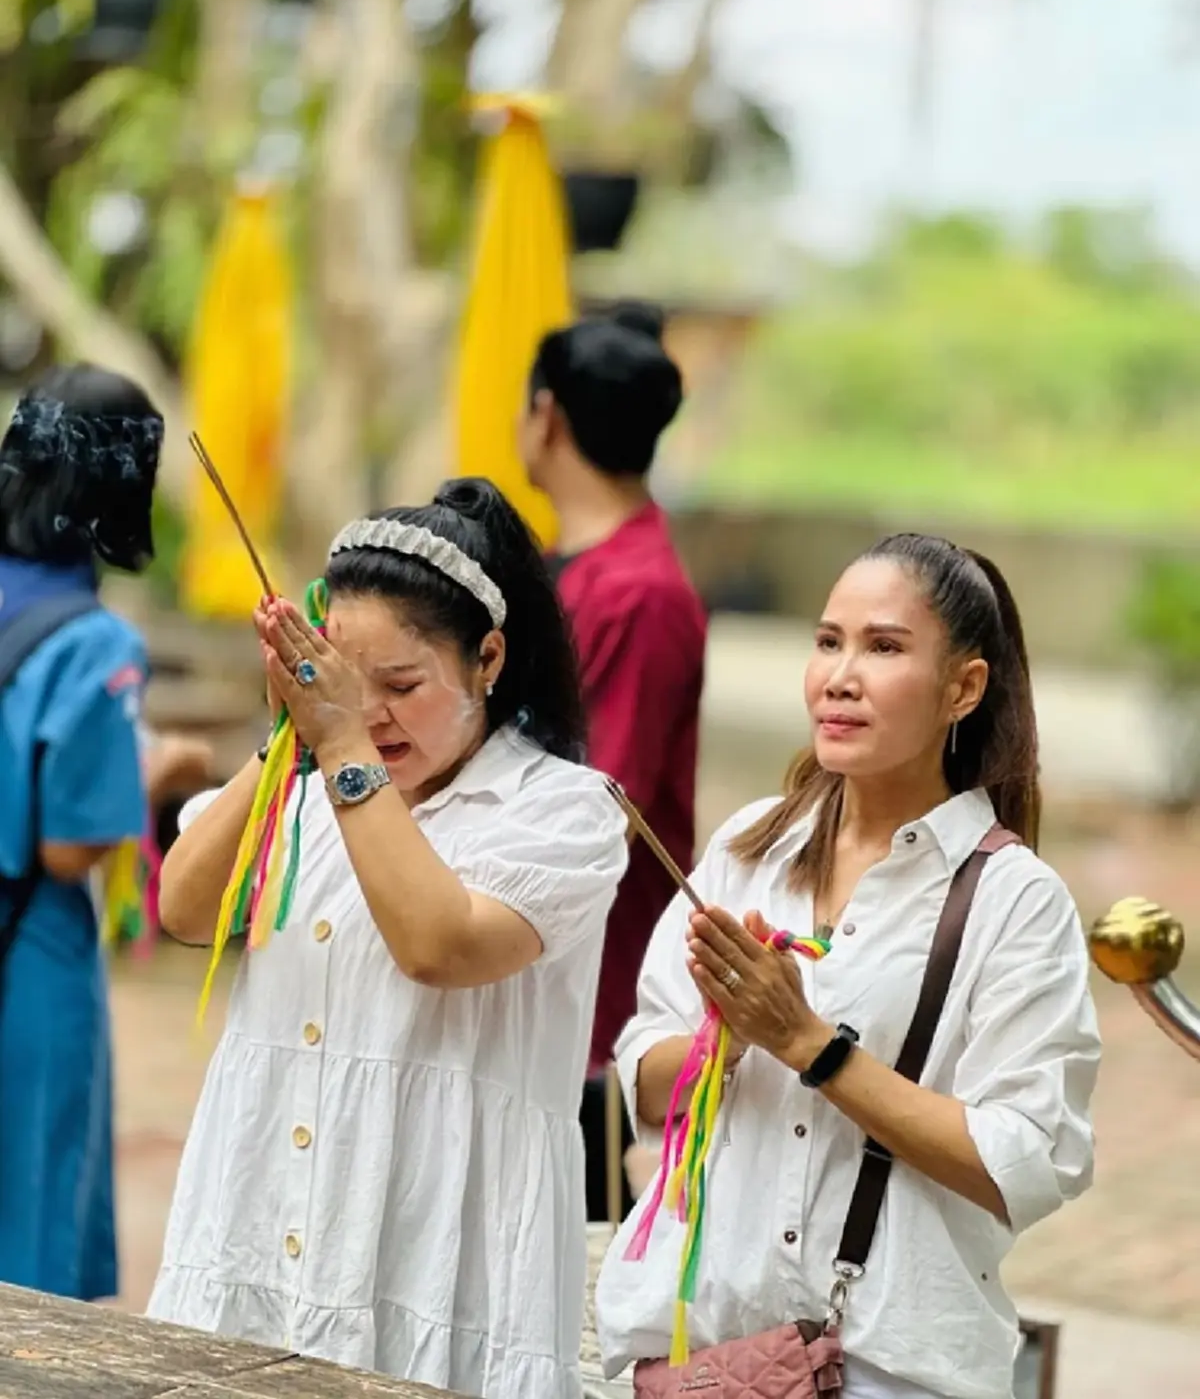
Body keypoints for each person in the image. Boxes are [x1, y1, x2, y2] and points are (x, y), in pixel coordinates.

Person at [148, 478, 628, 1399]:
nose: (370, 713)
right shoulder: (305, 777)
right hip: (256, 1233)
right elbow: (183, 910)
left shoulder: (565, 812)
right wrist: (292, 736)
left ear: (488, 658)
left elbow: (439, 946)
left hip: (441, 1269)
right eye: (345, 681)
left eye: (401, 685)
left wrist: (340, 750)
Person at [595, 533, 1101, 1399]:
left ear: (964, 688)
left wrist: (809, 1044)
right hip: (708, 1358)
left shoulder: (1015, 899)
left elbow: (1025, 1158)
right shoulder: (750, 850)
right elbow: (644, 1079)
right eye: (829, 641)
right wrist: (732, 1033)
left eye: (885, 647)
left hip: (888, 1368)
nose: (841, 674)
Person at [522, 303, 707, 1221]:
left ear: (545, 417)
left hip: (596, 981)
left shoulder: (641, 592)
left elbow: (603, 795)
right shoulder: (574, 568)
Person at [0, 364, 165, 1300]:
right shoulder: (95, 645)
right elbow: (71, 844)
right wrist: (163, 768)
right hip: (31, 946)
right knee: (31, 1223)